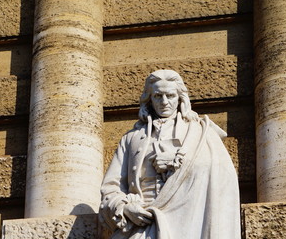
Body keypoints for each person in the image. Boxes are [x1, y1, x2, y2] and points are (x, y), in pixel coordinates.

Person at [99, 70, 240, 239]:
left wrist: (179, 161)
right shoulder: (131, 139)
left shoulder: (200, 132)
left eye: (170, 96)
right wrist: (125, 209)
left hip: (189, 222)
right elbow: (111, 188)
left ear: (180, 98)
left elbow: (223, 176)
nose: (164, 102)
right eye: (158, 96)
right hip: (142, 226)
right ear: (149, 99)